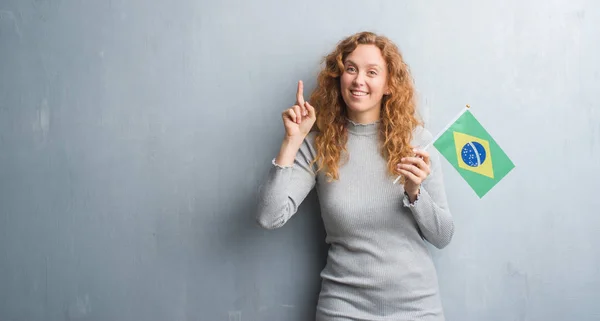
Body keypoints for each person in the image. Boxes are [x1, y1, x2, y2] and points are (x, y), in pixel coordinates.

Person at [256, 31, 454, 321]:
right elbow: (268, 216)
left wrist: (415, 193)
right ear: (339, 76)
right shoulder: (318, 144)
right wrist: (292, 142)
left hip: (417, 309)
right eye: (351, 69)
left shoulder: (417, 142)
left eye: (372, 72)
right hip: (343, 309)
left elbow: (442, 236)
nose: (359, 80)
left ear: (389, 85)